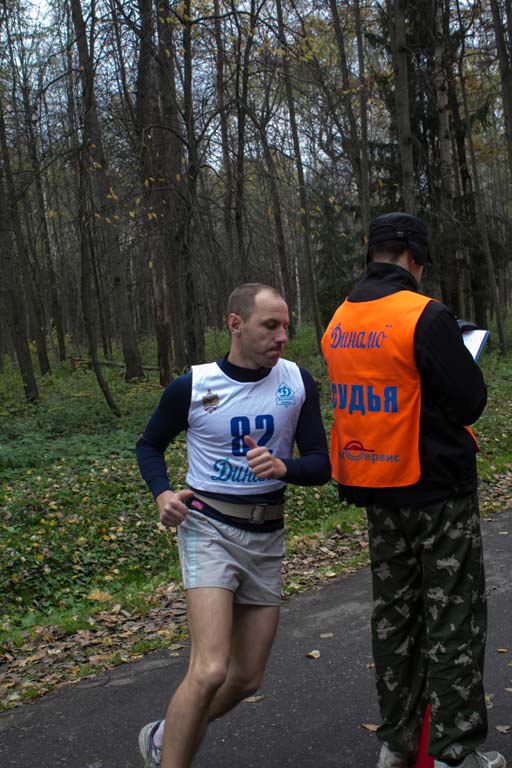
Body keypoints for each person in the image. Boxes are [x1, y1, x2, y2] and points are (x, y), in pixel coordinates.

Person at [321, 213, 505, 768]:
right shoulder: (423, 314)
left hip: (377, 489)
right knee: (453, 618)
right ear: (413, 258)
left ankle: (397, 742)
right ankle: (454, 752)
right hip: (437, 491)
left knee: (395, 618)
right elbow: (470, 401)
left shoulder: (339, 320)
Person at [136, 283, 331, 768]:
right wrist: (163, 494)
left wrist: (284, 467)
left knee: (245, 679)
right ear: (235, 324)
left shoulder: (297, 382)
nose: (282, 336)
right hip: (208, 527)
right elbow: (149, 445)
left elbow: (321, 465)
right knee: (209, 670)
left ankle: (167, 733)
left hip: (267, 535)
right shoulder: (193, 386)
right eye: (270, 326)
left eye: (286, 326)